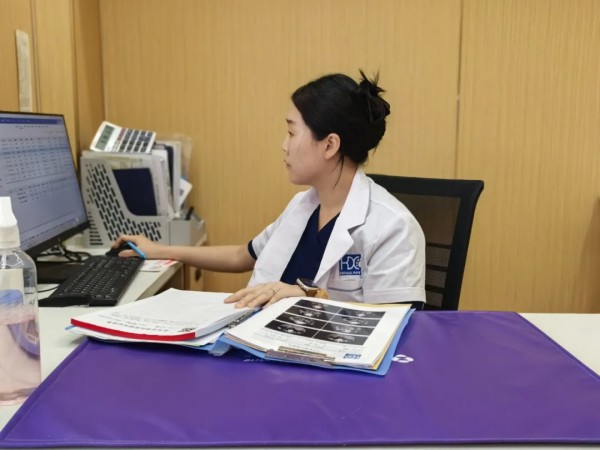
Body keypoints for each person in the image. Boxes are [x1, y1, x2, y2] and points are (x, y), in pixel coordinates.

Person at [112, 70, 426, 309]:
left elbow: (392, 323)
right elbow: (242, 255)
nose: (283, 145)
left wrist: (308, 297)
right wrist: (160, 250)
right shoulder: (303, 206)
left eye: (292, 132)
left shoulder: (392, 226)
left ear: (330, 145)